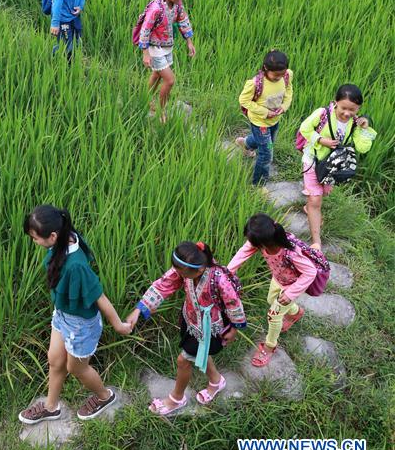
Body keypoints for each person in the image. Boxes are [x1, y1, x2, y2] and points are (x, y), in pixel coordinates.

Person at [19, 205, 131, 425]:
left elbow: (99, 297)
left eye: (35, 238)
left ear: (52, 236)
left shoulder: (76, 266)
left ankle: (104, 396)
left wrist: (118, 324)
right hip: (63, 315)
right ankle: (51, 407)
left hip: (81, 325)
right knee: (55, 360)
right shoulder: (63, 240)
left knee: (76, 368)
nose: (34, 242)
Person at [126, 241, 246, 414]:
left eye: (180, 272)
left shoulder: (219, 279)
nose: (177, 274)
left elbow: (233, 303)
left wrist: (234, 328)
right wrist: (139, 309)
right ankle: (216, 381)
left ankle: (176, 399)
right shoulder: (186, 271)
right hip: (190, 321)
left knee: (183, 361)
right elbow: (164, 284)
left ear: (199, 270)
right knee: (197, 352)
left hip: (210, 328)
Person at [228, 214, 317, 367]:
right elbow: (243, 252)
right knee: (270, 301)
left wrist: (290, 294)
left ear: (263, 242)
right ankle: (295, 312)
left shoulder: (291, 252)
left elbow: (311, 272)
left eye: (253, 242)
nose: (251, 245)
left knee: (273, 315)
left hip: (291, 286)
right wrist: (228, 272)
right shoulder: (265, 241)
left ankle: (269, 346)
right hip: (278, 280)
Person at [299, 84, 376, 249]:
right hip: (313, 160)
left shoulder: (354, 123)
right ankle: (316, 242)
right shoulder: (323, 114)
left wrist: (365, 127)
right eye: (343, 108)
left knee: (321, 195)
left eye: (352, 110)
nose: (347, 113)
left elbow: (363, 147)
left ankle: (309, 207)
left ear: (358, 108)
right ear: (335, 103)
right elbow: (304, 128)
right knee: (315, 199)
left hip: (332, 166)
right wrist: (321, 140)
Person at [137, 0, 195, 122]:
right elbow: (145, 29)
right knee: (170, 80)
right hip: (155, 48)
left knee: (157, 75)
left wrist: (189, 42)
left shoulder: (177, 5)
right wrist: (145, 53)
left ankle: (145, 99)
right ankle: (161, 110)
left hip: (167, 47)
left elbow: (183, 21)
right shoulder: (156, 8)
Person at [235, 50, 293, 186]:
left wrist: (284, 106)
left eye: (282, 74)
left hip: (275, 120)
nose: (279, 77)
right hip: (260, 122)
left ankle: (246, 143)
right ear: (266, 68)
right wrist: (265, 112)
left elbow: (289, 89)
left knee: (267, 142)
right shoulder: (255, 83)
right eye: (276, 75)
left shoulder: (287, 75)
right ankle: (259, 184)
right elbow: (244, 101)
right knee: (266, 153)